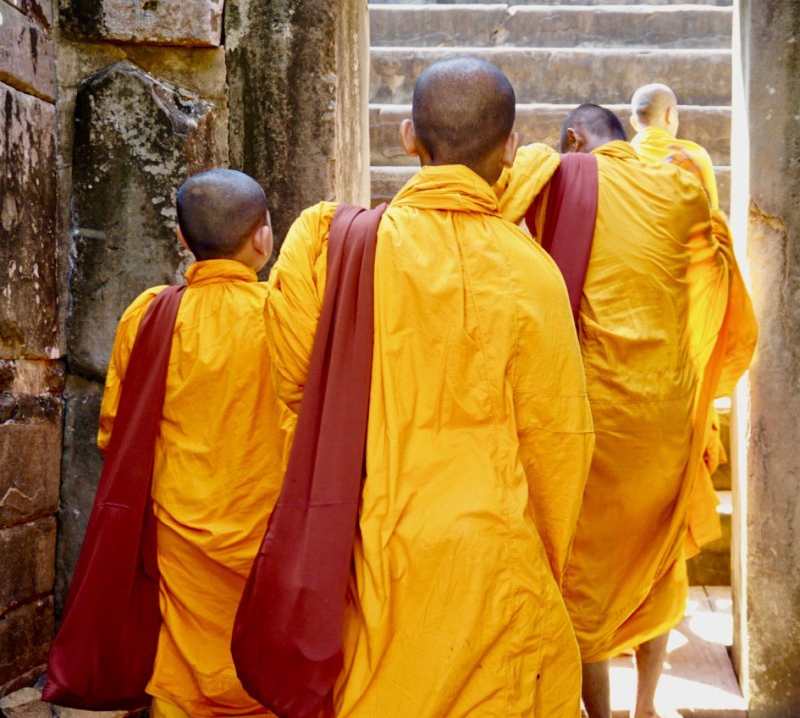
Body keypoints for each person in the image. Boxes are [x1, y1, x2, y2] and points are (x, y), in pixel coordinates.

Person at [265, 57, 594, 717]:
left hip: (369, 549)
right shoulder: (533, 274)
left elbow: (291, 381)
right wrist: (542, 563)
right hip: (493, 555)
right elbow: (561, 442)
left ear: (407, 136)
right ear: (510, 146)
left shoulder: (332, 245)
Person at [493, 105, 756, 718]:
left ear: (577, 137)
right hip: (668, 416)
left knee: (583, 578)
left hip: (596, 418)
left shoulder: (556, 174)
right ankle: (646, 706)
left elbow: (487, 214)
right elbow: (710, 271)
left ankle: (601, 717)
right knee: (657, 567)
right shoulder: (683, 185)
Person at [97, 170, 287, 718]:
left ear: (182, 240)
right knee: (264, 663)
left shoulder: (151, 313)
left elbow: (115, 430)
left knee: (183, 658)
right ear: (262, 238)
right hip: (265, 527)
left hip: (181, 522)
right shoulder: (284, 316)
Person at [630, 81, 729, 559]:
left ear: (634, 122)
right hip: (681, 315)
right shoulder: (693, 160)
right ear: (672, 117)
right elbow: (709, 239)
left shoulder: (617, 164)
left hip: (628, 315)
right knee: (683, 440)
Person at [630, 82, 719, 209]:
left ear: (633, 122)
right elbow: (710, 218)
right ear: (670, 115)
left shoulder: (621, 159)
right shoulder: (694, 156)